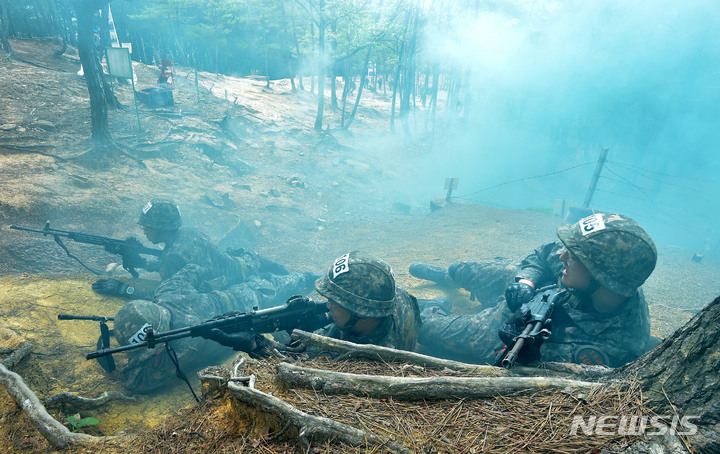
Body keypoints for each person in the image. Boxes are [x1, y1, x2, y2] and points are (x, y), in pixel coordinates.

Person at [411, 213, 657, 368]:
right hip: (534, 289)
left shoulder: (611, 346)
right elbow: (543, 254)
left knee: (425, 329)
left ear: (602, 276)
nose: (563, 256)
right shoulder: (583, 271)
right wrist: (525, 281)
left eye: (575, 256)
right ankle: (448, 277)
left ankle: (434, 306)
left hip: (518, 322)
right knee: (463, 269)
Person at [112, 263, 317, 393]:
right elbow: (196, 268)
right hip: (233, 293)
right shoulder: (168, 291)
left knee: (282, 292)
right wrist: (218, 282)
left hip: (244, 305)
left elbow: (137, 382)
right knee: (266, 285)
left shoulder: (183, 348)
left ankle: (309, 276)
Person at [208, 251, 424, 353]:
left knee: (284, 337)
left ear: (362, 312)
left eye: (334, 302)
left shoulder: (363, 358)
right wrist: (325, 317)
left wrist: (255, 345)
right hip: (407, 321)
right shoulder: (392, 295)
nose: (328, 304)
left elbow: (300, 368)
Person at [92, 199, 290, 299]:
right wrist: (145, 263)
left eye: (147, 226)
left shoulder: (175, 256)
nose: (144, 230)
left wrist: (124, 289)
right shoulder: (185, 235)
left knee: (287, 281)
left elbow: (169, 298)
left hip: (245, 276)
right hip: (244, 262)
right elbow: (179, 263)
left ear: (162, 228)